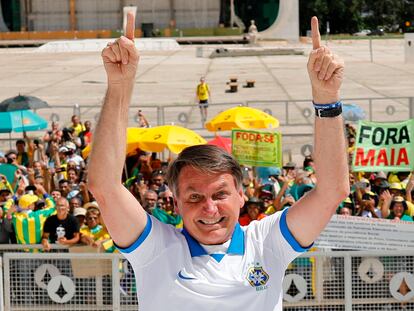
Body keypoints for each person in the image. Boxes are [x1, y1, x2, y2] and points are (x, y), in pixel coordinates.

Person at [88, 15, 348, 311]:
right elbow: (105, 187)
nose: (209, 208)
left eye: (220, 194)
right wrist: (120, 86)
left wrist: (327, 98)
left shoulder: (266, 243)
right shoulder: (157, 250)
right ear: (175, 203)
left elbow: (331, 192)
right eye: (194, 196)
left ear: (241, 195)